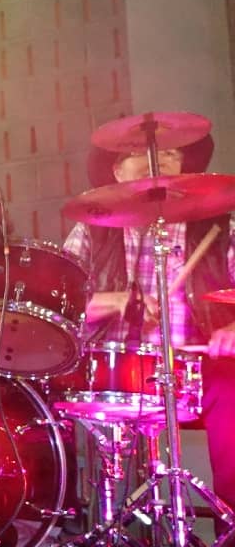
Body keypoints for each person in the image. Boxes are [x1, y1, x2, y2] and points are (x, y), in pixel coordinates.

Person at [63, 134, 235, 516]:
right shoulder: (94, 228)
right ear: (115, 171)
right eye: (136, 152)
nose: (155, 160)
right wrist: (116, 301)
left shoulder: (218, 228)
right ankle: (97, 519)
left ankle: (231, 524)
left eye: (170, 153)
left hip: (199, 370)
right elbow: (60, 306)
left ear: (184, 171)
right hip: (117, 372)